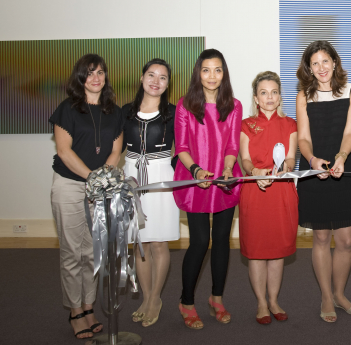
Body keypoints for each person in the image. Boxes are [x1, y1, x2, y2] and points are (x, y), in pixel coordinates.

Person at [49, 54, 123, 339]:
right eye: (90, 73)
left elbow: (116, 152)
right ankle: (75, 309)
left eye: (101, 72)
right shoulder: (67, 109)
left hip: (100, 188)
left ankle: (89, 306)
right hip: (69, 185)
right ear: (80, 77)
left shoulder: (113, 112)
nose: (96, 77)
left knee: (93, 252)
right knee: (72, 252)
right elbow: (64, 151)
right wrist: (92, 177)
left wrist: (103, 177)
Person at [173, 49, 243, 329]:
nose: (212, 76)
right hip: (196, 180)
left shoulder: (234, 105)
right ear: (198, 73)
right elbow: (182, 148)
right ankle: (186, 301)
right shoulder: (185, 105)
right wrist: (197, 171)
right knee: (200, 242)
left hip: (224, 180)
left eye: (217, 70)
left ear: (223, 73)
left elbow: (233, 146)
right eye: (206, 70)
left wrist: (228, 169)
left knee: (223, 241)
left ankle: (216, 298)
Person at [295, 40, 351, 323]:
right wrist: (312, 161)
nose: (321, 68)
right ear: (308, 68)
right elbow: (303, 138)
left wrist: (341, 157)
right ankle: (326, 295)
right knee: (321, 237)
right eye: (315, 63)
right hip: (313, 170)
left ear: (335, 62)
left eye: (326, 61)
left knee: (346, 240)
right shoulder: (303, 96)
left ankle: (340, 293)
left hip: (342, 168)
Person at [122, 58, 179, 327]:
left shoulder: (174, 112)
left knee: (159, 242)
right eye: (151, 75)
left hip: (161, 179)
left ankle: (156, 297)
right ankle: (145, 297)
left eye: (163, 77)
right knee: (140, 243)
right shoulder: (125, 111)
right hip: (132, 177)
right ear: (142, 77)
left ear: (168, 83)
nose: (156, 81)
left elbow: (186, 148)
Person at [239, 71, 298, 325]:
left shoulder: (290, 124)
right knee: (256, 251)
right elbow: (245, 159)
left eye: (274, 91)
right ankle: (261, 303)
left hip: (281, 190)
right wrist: (255, 172)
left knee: (277, 252)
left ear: (280, 95)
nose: (269, 97)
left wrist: (284, 167)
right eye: (264, 92)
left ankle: (273, 300)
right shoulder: (246, 124)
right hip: (255, 189)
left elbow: (292, 157)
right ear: (256, 98)